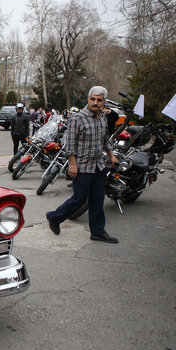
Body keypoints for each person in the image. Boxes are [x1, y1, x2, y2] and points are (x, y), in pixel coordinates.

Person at [46, 86, 119, 244]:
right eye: (92, 99)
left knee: (98, 199)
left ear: (103, 102)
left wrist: (112, 156)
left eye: (99, 100)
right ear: (88, 99)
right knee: (79, 199)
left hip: (99, 165)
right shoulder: (77, 118)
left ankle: (98, 232)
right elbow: (70, 145)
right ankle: (54, 217)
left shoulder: (102, 117)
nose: (95, 102)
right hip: (83, 166)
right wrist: (73, 164)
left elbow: (105, 140)